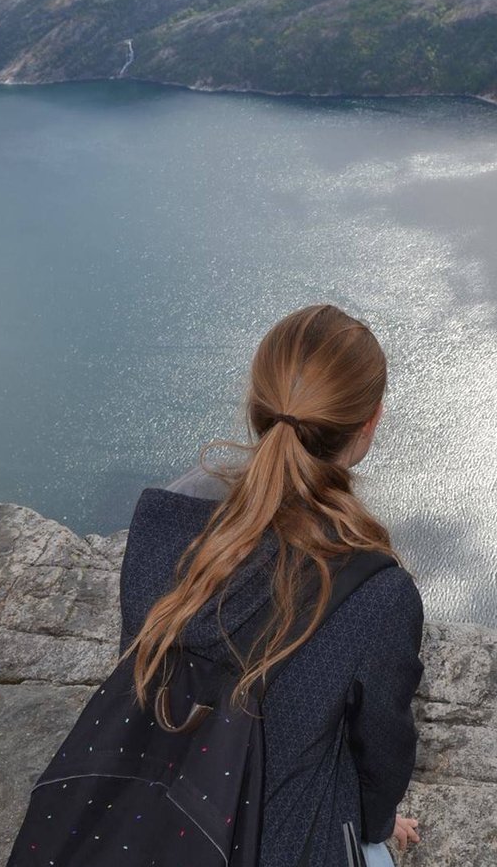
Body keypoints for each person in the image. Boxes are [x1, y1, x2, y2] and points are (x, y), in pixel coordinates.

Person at [116, 303, 425, 867]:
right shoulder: (377, 593)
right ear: (370, 422)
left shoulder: (161, 521)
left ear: (256, 403)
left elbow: (141, 674)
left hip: (156, 814)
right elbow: (382, 751)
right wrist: (378, 824)